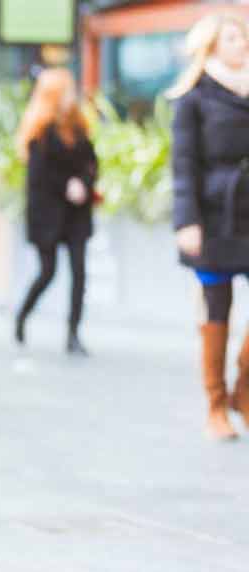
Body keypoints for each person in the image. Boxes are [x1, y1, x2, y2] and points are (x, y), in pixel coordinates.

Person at [167, 14, 249, 440]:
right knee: (217, 306)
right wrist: (187, 221)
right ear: (212, 45)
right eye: (232, 37)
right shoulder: (193, 97)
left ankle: (245, 390)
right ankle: (216, 405)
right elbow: (183, 165)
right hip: (215, 215)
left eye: (243, 37)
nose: (242, 43)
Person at [13, 68, 98, 356]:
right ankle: (23, 314)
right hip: (48, 214)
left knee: (79, 273)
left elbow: (91, 165)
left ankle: (73, 333)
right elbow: (39, 177)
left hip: (77, 214)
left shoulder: (80, 128)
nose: (71, 96)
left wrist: (83, 184)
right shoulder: (40, 133)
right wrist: (67, 186)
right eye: (65, 91)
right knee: (47, 272)